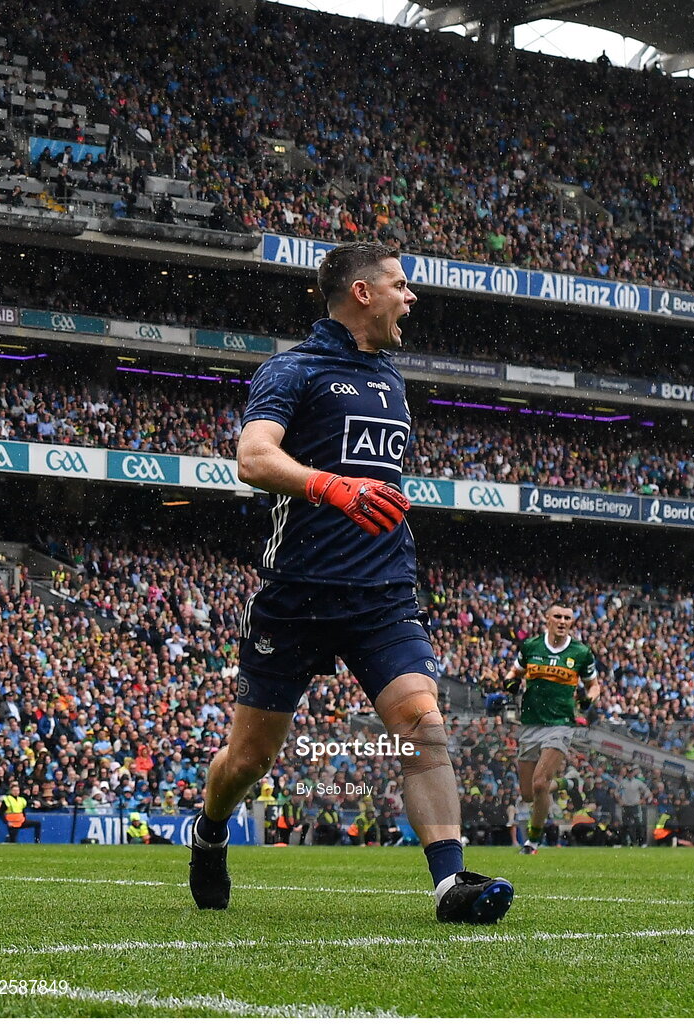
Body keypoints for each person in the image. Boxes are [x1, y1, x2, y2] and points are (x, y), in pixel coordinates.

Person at [189, 240, 513, 925]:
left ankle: (448, 886)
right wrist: (329, 487)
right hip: (297, 594)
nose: (411, 296)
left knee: (422, 724)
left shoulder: (390, 378)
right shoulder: (293, 370)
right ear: (363, 293)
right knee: (248, 760)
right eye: (399, 284)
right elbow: (252, 458)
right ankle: (210, 828)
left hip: (383, 593)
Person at [504, 603, 599, 855]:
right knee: (527, 794)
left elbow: (594, 685)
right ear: (547, 619)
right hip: (531, 723)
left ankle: (533, 841)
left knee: (539, 784)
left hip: (560, 724)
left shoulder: (581, 652)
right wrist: (510, 682)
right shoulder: (532, 647)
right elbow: (514, 672)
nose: (562, 620)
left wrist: (589, 699)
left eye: (567, 617)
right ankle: (568, 782)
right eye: (557, 616)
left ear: (571, 622)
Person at [617, 765, 652, 847]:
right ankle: (624, 843)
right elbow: (616, 792)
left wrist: (642, 799)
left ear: (633, 773)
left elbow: (647, 791)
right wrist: (620, 800)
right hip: (626, 806)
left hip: (635, 806)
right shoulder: (623, 782)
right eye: (628, 773)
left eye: (631, 773)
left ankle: (642, 843)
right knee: (625, 825)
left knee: (639, 824)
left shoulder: (637, 782)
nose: (630, 774)